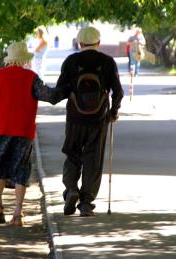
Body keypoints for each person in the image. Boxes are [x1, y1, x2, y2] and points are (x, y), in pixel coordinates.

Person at [0, 42, 61, 226]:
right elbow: (51, 96)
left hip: (2, 129)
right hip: (24, 130)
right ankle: (17, 213)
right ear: (24, 59)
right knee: (21, 169)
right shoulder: (31, 77)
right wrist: (65, 87)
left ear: (9, 58)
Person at [53, 26, 124, 217]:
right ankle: (85, 203)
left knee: (72, 153)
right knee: (93, 159)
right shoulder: (107, 62)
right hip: (98, 118)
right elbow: (118, 91)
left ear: (79, 43)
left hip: (75, 117)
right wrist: (113, 112)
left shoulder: (71, 61)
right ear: (98, 43)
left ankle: (71, 189)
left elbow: (60, 90)